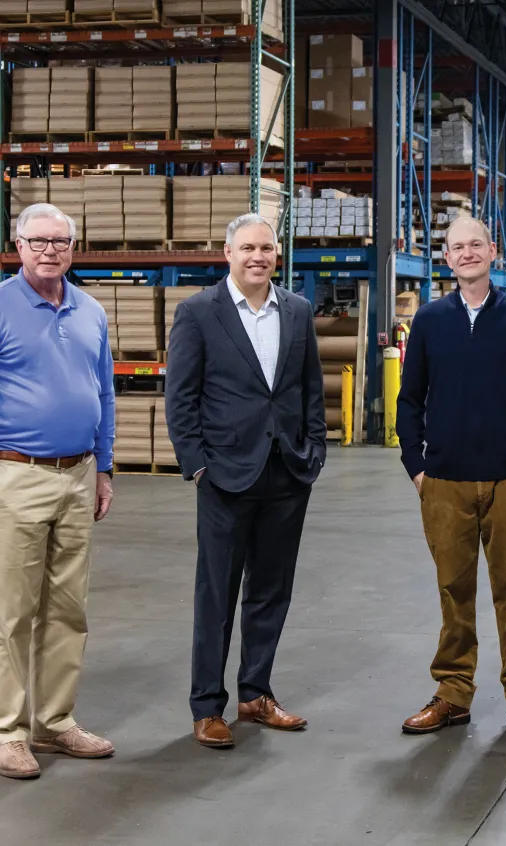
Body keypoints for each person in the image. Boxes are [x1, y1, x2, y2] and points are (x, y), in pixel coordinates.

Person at [0, 203, 117, 780]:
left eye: (61, 241)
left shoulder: (90, 311)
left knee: (68, 610)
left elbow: (104, 394)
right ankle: (7, 732)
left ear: (74, 248)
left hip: (77, 474)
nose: (50, 250)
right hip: (14, 475)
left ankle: (55, 721)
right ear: (17, 247)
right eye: (38, 241)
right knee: (14, 613)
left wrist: (104, 466)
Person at [164, 213, 328, 749]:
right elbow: (180, 398)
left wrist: (315, 451)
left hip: (287, 471)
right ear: (227, 253)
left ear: (277, 254)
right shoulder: (198, 313)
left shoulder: (298, 311)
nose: (258, 257)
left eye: (267, 248)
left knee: (271, 590)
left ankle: (255, 693)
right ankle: (207, 705)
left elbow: (309, 390)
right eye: (247, 248)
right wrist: (198, 466)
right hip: (225, 476)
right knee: (217, 594)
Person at [396, 216, 506, 742]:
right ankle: (452, 693)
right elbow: (410, 399)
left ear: (494, 252)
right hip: (444, 481)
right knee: (453, 589)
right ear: (446, 258)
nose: (467, 254)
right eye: (456, 247)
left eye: (475, 245)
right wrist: (417, 467)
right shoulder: (429, 320)